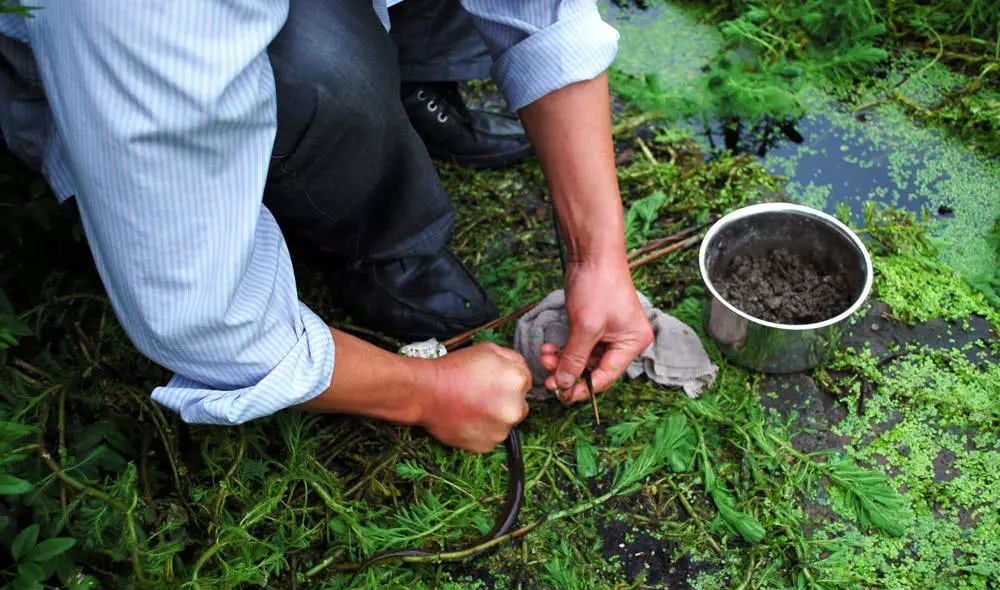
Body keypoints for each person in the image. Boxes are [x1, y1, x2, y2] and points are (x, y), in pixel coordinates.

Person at [0, 1, 653, 453]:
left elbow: (542, 11)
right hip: (139, 66)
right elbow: (197, 310)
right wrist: (426, 393)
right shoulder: (153, 22)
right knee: (325, 67)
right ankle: (375, 237)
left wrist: (597, 255)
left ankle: (418, 83)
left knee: (374, 45)